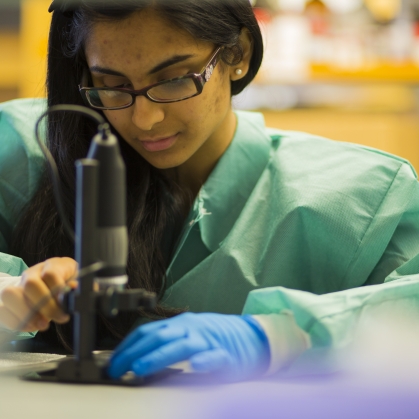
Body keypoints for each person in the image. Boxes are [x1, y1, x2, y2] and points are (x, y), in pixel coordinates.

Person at [1, 0, 419, 381]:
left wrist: (279, 335)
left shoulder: (363, 198)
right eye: (112, 84)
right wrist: (12, 293)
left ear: (237, 54)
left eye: (174, 79)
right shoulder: (22, 150)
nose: (144, 119)